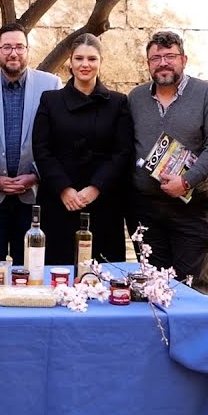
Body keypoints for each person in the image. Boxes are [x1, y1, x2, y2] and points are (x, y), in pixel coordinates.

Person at [127, 30, 208, 294]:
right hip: (145, 210)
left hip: (191, 209)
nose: (163, 63)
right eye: (156, 58)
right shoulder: (136, 98)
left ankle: (192, 336)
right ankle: (157, 336)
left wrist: (186, 180)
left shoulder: (206, 95)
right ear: (148, 63)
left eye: (170, 56)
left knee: (191, 288)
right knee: (151, 287)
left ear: (184, 59)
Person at [32, 33, 134, 264]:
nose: (85, 64)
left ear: (101, 62)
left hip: (103, 200)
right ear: (70, 62)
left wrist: (96, 188)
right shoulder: (51, 100)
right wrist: (64, 189)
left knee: (103, 271)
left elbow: (122, 152)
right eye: (79, 58)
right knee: (58, 270)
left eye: (91, 59)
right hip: (59, 201)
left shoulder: (118, 102)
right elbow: (41, 148)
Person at [0, 23, 61, 263]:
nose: (13, 53)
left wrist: (36, 175)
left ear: (28, 50)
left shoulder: (50, 85)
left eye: (19, 47)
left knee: (30, 268)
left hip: (33, 196)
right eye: (7, 47)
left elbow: (58, 139)